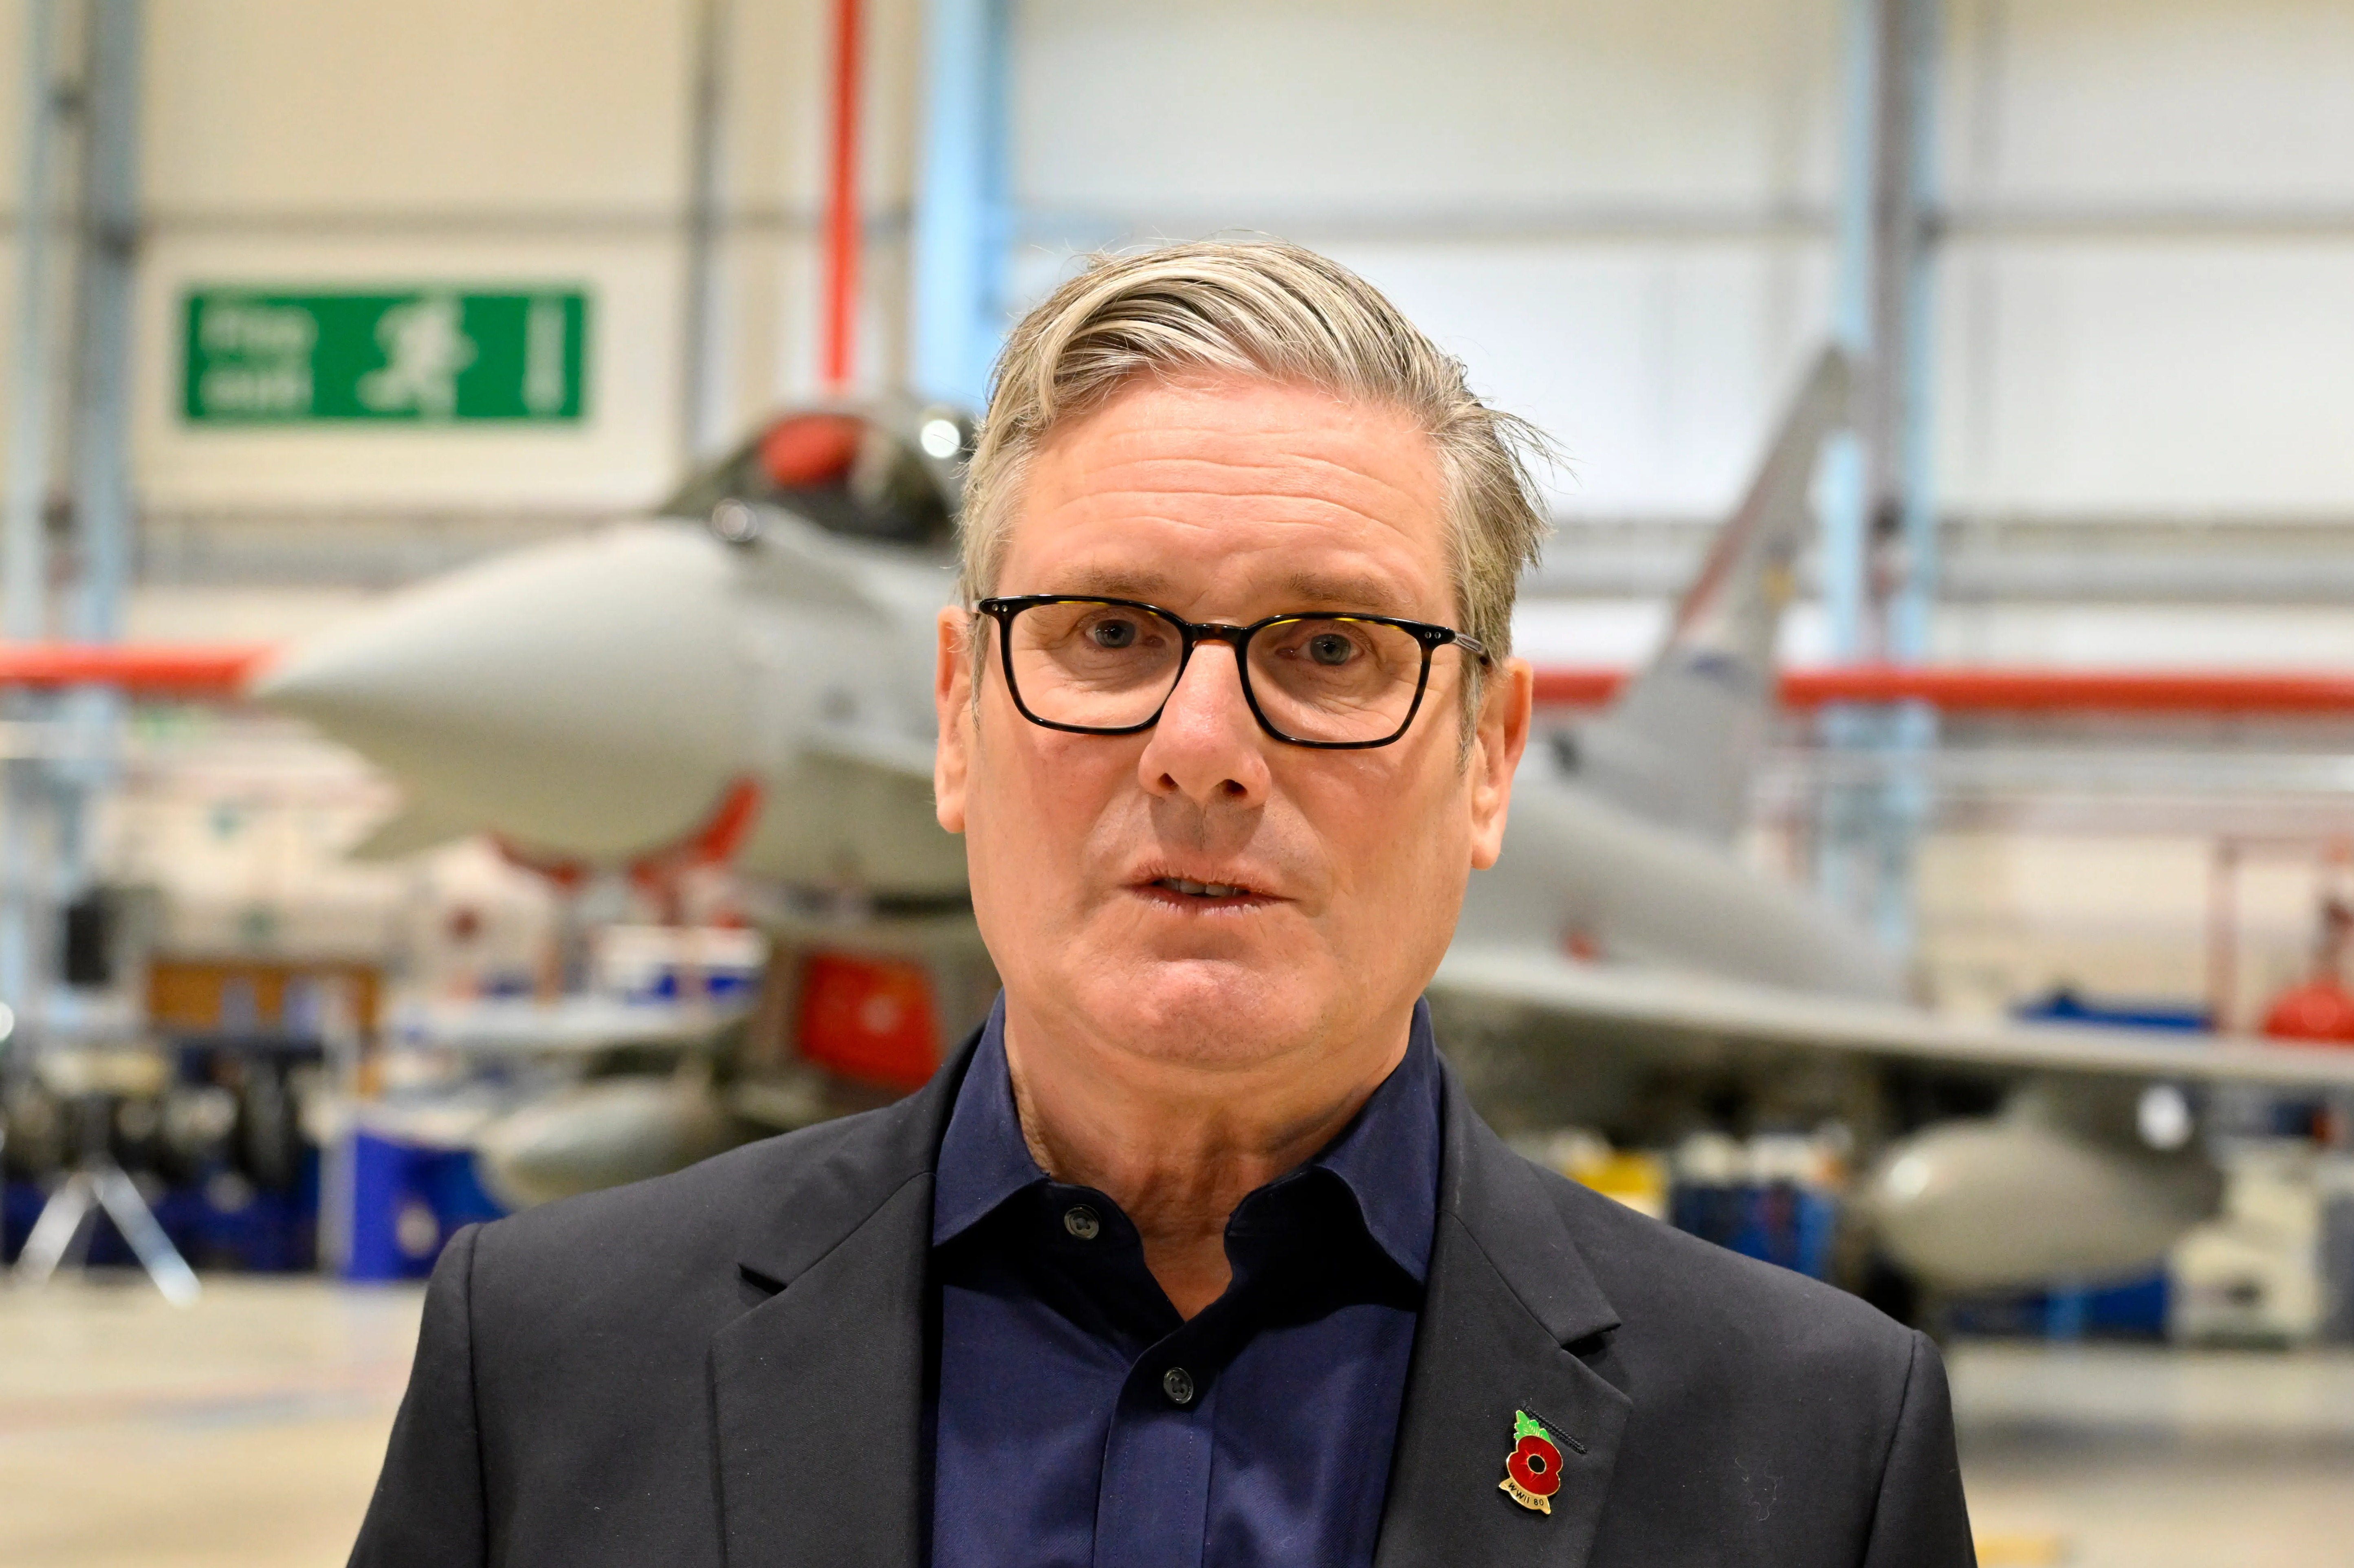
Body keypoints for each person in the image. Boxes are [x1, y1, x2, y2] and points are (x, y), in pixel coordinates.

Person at [350, 242, 1973, 1567]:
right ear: (958, 714)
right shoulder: (548, 1366)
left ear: (1486, 757)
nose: (1201, 750)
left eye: (1330, 649)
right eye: (1106, 635)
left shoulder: (1816, 1446)